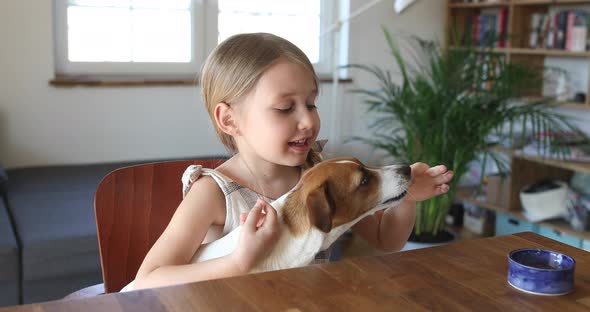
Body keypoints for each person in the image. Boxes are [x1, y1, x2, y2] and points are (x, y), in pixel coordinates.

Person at [132, 33, 453, 290]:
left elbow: (387, 240)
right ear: (229, 120)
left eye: (311, 104)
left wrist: (405, 197)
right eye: (286, 108)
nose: (307, 121)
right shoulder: (213, 194)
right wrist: (238, 262)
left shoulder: (321, 174)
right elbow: (147, 279)